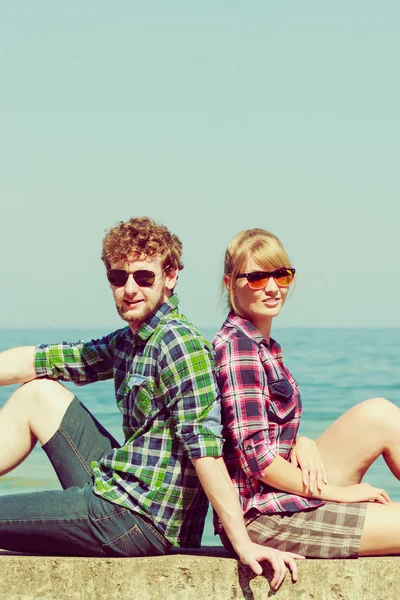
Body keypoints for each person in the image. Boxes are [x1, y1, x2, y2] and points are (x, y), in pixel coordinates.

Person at [0, 217, 300, 589]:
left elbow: (206, 451)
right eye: (118, 278)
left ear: (169, 276)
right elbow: (45, 359)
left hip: (145, 520)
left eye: (143, 277)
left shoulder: (179, 345)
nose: (129, 289)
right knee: (38, 392)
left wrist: (243, 544)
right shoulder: (131, 340)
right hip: (122, 490)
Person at [213, 226, 400, 559]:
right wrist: (340, 493)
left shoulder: (262, 346)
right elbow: (257, 461)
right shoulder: (238, 349)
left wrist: (302, 440)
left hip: (284, 493)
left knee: (380, 413)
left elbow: (254, 431)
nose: (272, 288)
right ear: (230, 284)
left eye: (281, 276)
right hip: (263, 518)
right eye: (256, 278)